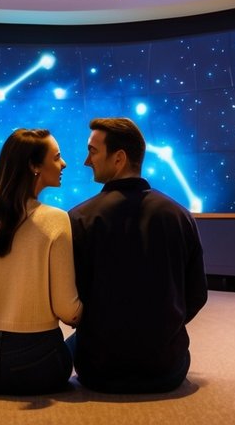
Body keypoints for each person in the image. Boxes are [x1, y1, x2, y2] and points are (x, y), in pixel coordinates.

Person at [68, 117, 207, 393]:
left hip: (99, 370)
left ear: (119, 158)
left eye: (93, 151)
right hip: (166, 369)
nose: (86, 161)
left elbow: (72, 299)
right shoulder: (181, 216)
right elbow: (197, 296)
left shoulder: (78, 218)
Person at [0, 128, 82, 395]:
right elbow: (67, 309)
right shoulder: (56, 220)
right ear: (34, 166)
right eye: (57, 157)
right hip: (36, 365)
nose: (64, 163)